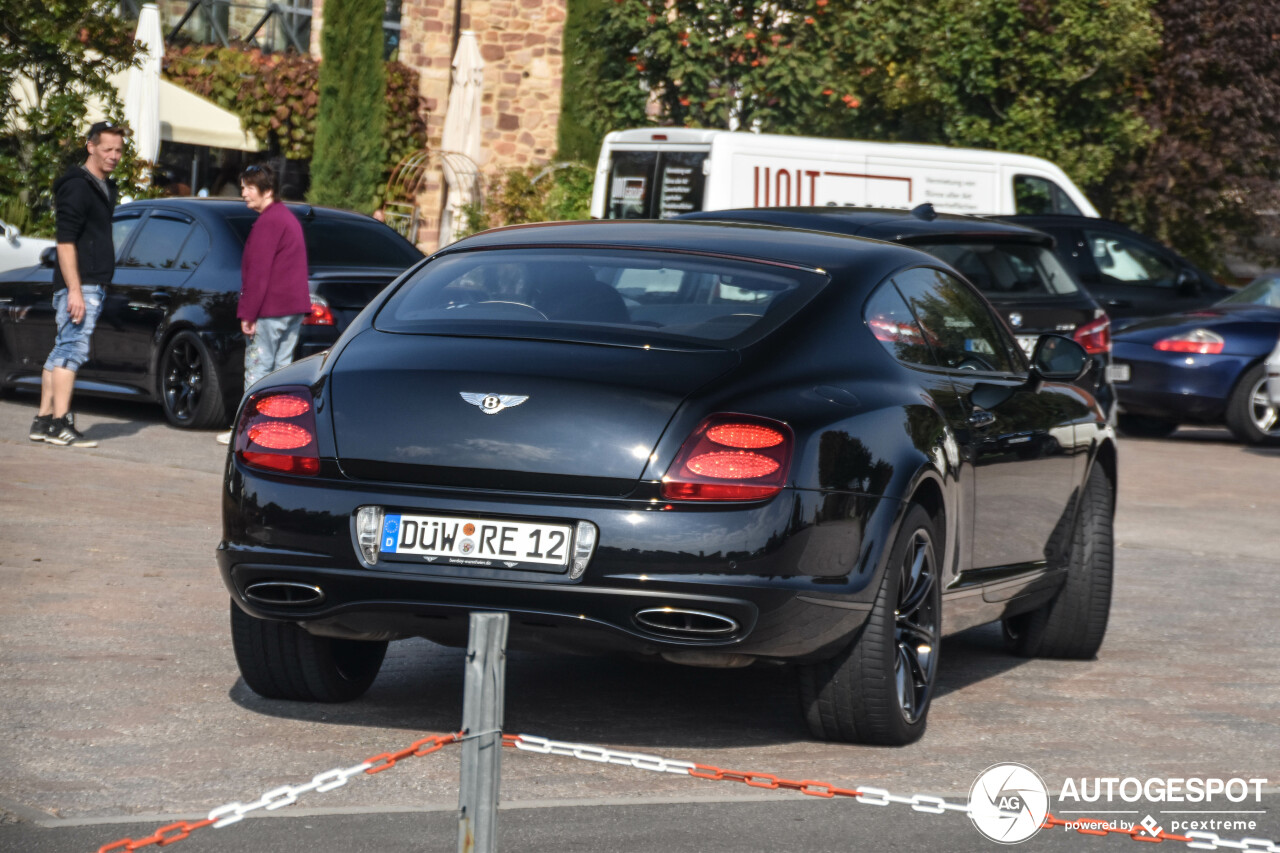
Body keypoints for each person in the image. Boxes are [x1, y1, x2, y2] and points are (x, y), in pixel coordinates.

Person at [29, 120, 125, 448]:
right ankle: (60, 423)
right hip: (80, 284)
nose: (113, 156)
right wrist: (74, 289)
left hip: (88, 283)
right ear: (91, 146)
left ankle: (43, 420)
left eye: (118, 150)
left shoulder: (105, 188)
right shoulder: (77, 187)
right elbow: (65, 242)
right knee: (72, 350)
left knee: (60, 349)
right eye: (107, 149)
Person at [215, 163, 310, 444]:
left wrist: (247, 312)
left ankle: (246, 431)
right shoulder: (286, 218)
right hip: (291, 308)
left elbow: (258, 272)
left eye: (248, 187)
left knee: (259, 370)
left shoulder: (270, 222)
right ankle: (273, 430)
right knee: (281, 371)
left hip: (270, 310)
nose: (243, 192)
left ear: (266, 191)